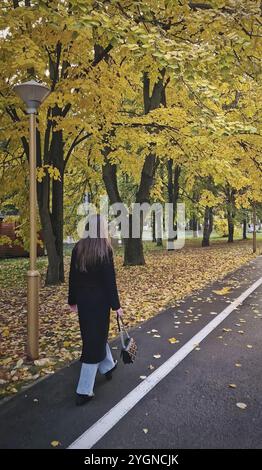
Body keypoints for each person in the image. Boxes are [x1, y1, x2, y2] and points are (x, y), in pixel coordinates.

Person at [68, 214, 123, 406]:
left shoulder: (78, 248)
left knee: (94, 335)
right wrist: (116, 305)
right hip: (99, 303)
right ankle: (84, 391)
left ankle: (107, 366)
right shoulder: (104, 249)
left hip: (84, 302)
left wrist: (72, 300)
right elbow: (110, 281)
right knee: (93, 341)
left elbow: (73, 277)